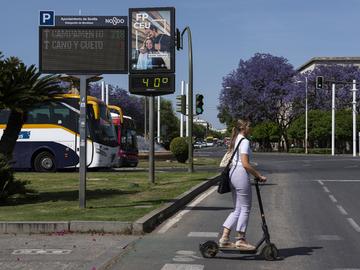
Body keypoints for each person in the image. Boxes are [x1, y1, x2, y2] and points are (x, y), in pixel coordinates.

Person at [219, 119, 267, 250]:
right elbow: (245, 164)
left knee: (238, 208)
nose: (251, 129)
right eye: (250, 126)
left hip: (233, 174)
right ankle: (241, 239)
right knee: (245, 208)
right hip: (240, 174)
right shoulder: (244, 141)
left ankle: (224, 238)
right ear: (244, 128)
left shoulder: (236, 139)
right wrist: (258, 176)